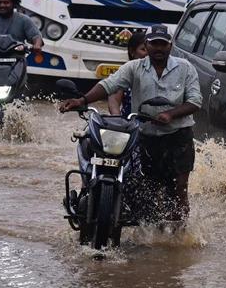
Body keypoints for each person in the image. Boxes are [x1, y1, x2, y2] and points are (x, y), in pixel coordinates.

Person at [59, 24, 201, 221]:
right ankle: (151, 232)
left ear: (170, 45)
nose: (158, 48)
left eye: (163, 44)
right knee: (149, 189)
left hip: (179, 137)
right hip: (146, 137)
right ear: (147, 45)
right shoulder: (134, 68)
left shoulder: (186, 68)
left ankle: (178, 236)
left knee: (178, 188)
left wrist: (171, 114)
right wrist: (82, 101)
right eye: (153, 44)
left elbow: (195, 101)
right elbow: (109, 85)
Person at [108, 32, 148, 115]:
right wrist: (117, 119)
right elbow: (114, 100)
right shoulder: (125, 73)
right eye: (143, 49)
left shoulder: (162, 73)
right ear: (132, 51)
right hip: (129, 124)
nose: (147, 54)